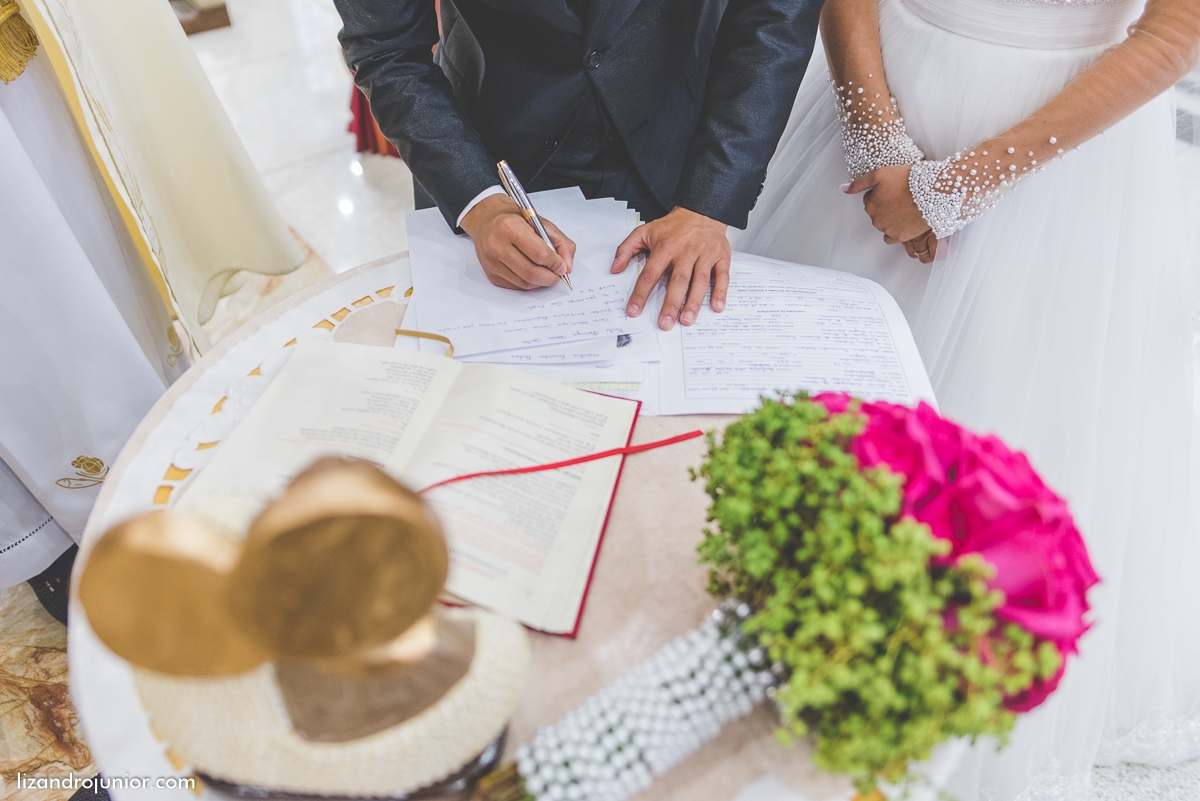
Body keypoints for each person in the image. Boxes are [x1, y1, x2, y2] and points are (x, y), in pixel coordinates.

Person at [735, 0, 1200, 798]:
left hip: (1060, 153)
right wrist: (876, 130)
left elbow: (1175, 32)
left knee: (1000, 430)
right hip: (882, 80)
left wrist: (958, 184)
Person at [332, 0, 823, 331]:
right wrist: (476, 201)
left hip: (671, 134)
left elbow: (775, 20)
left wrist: (707, 203)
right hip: (479, 143)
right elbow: (387, 47)